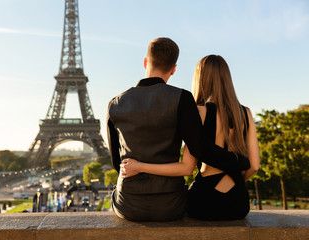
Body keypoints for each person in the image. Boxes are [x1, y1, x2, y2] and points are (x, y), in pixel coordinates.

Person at [107, 38, 251, 222]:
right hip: (170, 204)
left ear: (145, 62)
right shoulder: (182, 98)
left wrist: (139, 168)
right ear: (174, 69)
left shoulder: (115, 104)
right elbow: (200, 150)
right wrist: (240, 162)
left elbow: (116, 162)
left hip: (129, 204)